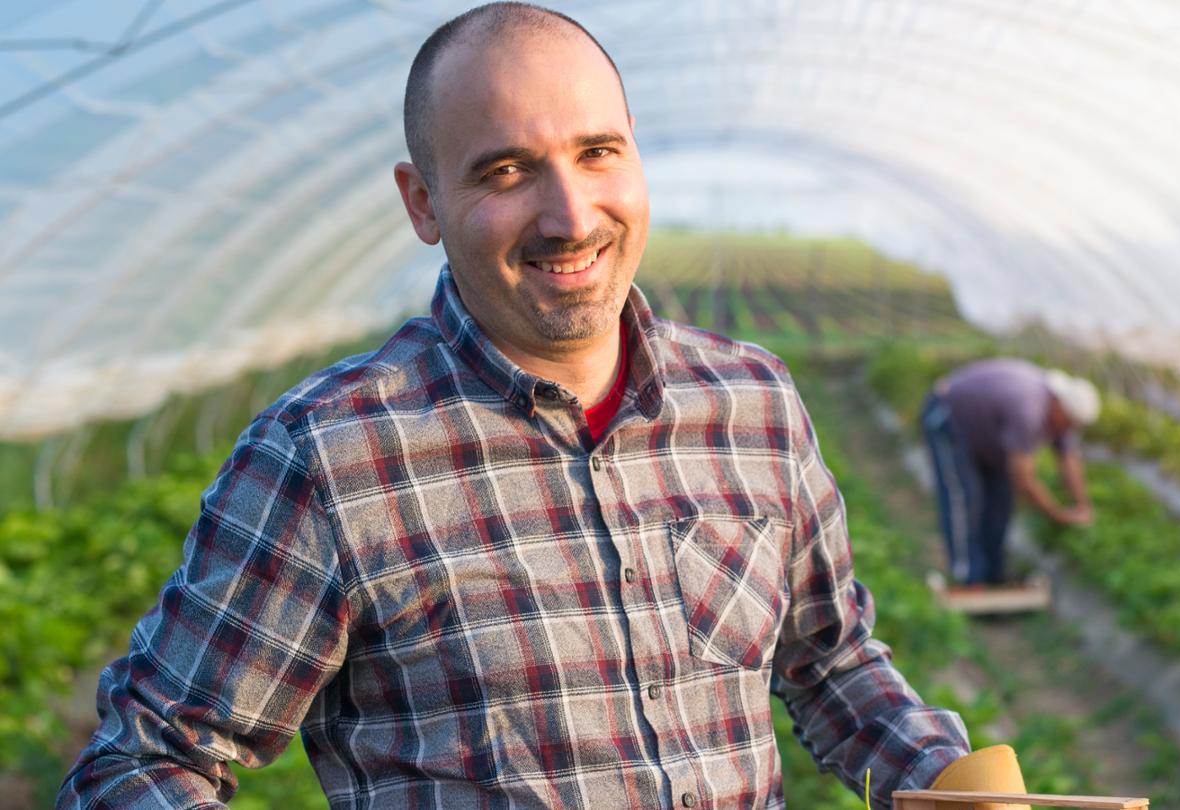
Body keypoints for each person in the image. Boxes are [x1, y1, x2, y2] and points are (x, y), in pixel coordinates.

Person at [57, 4, 971, 807]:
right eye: (505, 172)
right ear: (422, 203)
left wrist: (938, 779)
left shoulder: (752, 404)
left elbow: (828, 661)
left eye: (597, 153)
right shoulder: (332, 457)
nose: (570, 216)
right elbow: (144, 761)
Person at [921, 358, 1099, 587]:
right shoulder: (1029, 409)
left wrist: (1082, 505)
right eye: (1069, 422)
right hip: (950, 418)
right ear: (1059, 406)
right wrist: (1056, 513)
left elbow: (1069, 460)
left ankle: (993, 574)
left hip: (988, 436)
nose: (1069, 429)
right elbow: (1024, 479)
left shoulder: (1060, 417)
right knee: (964, 497)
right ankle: (969, 577)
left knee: (1000, 501)